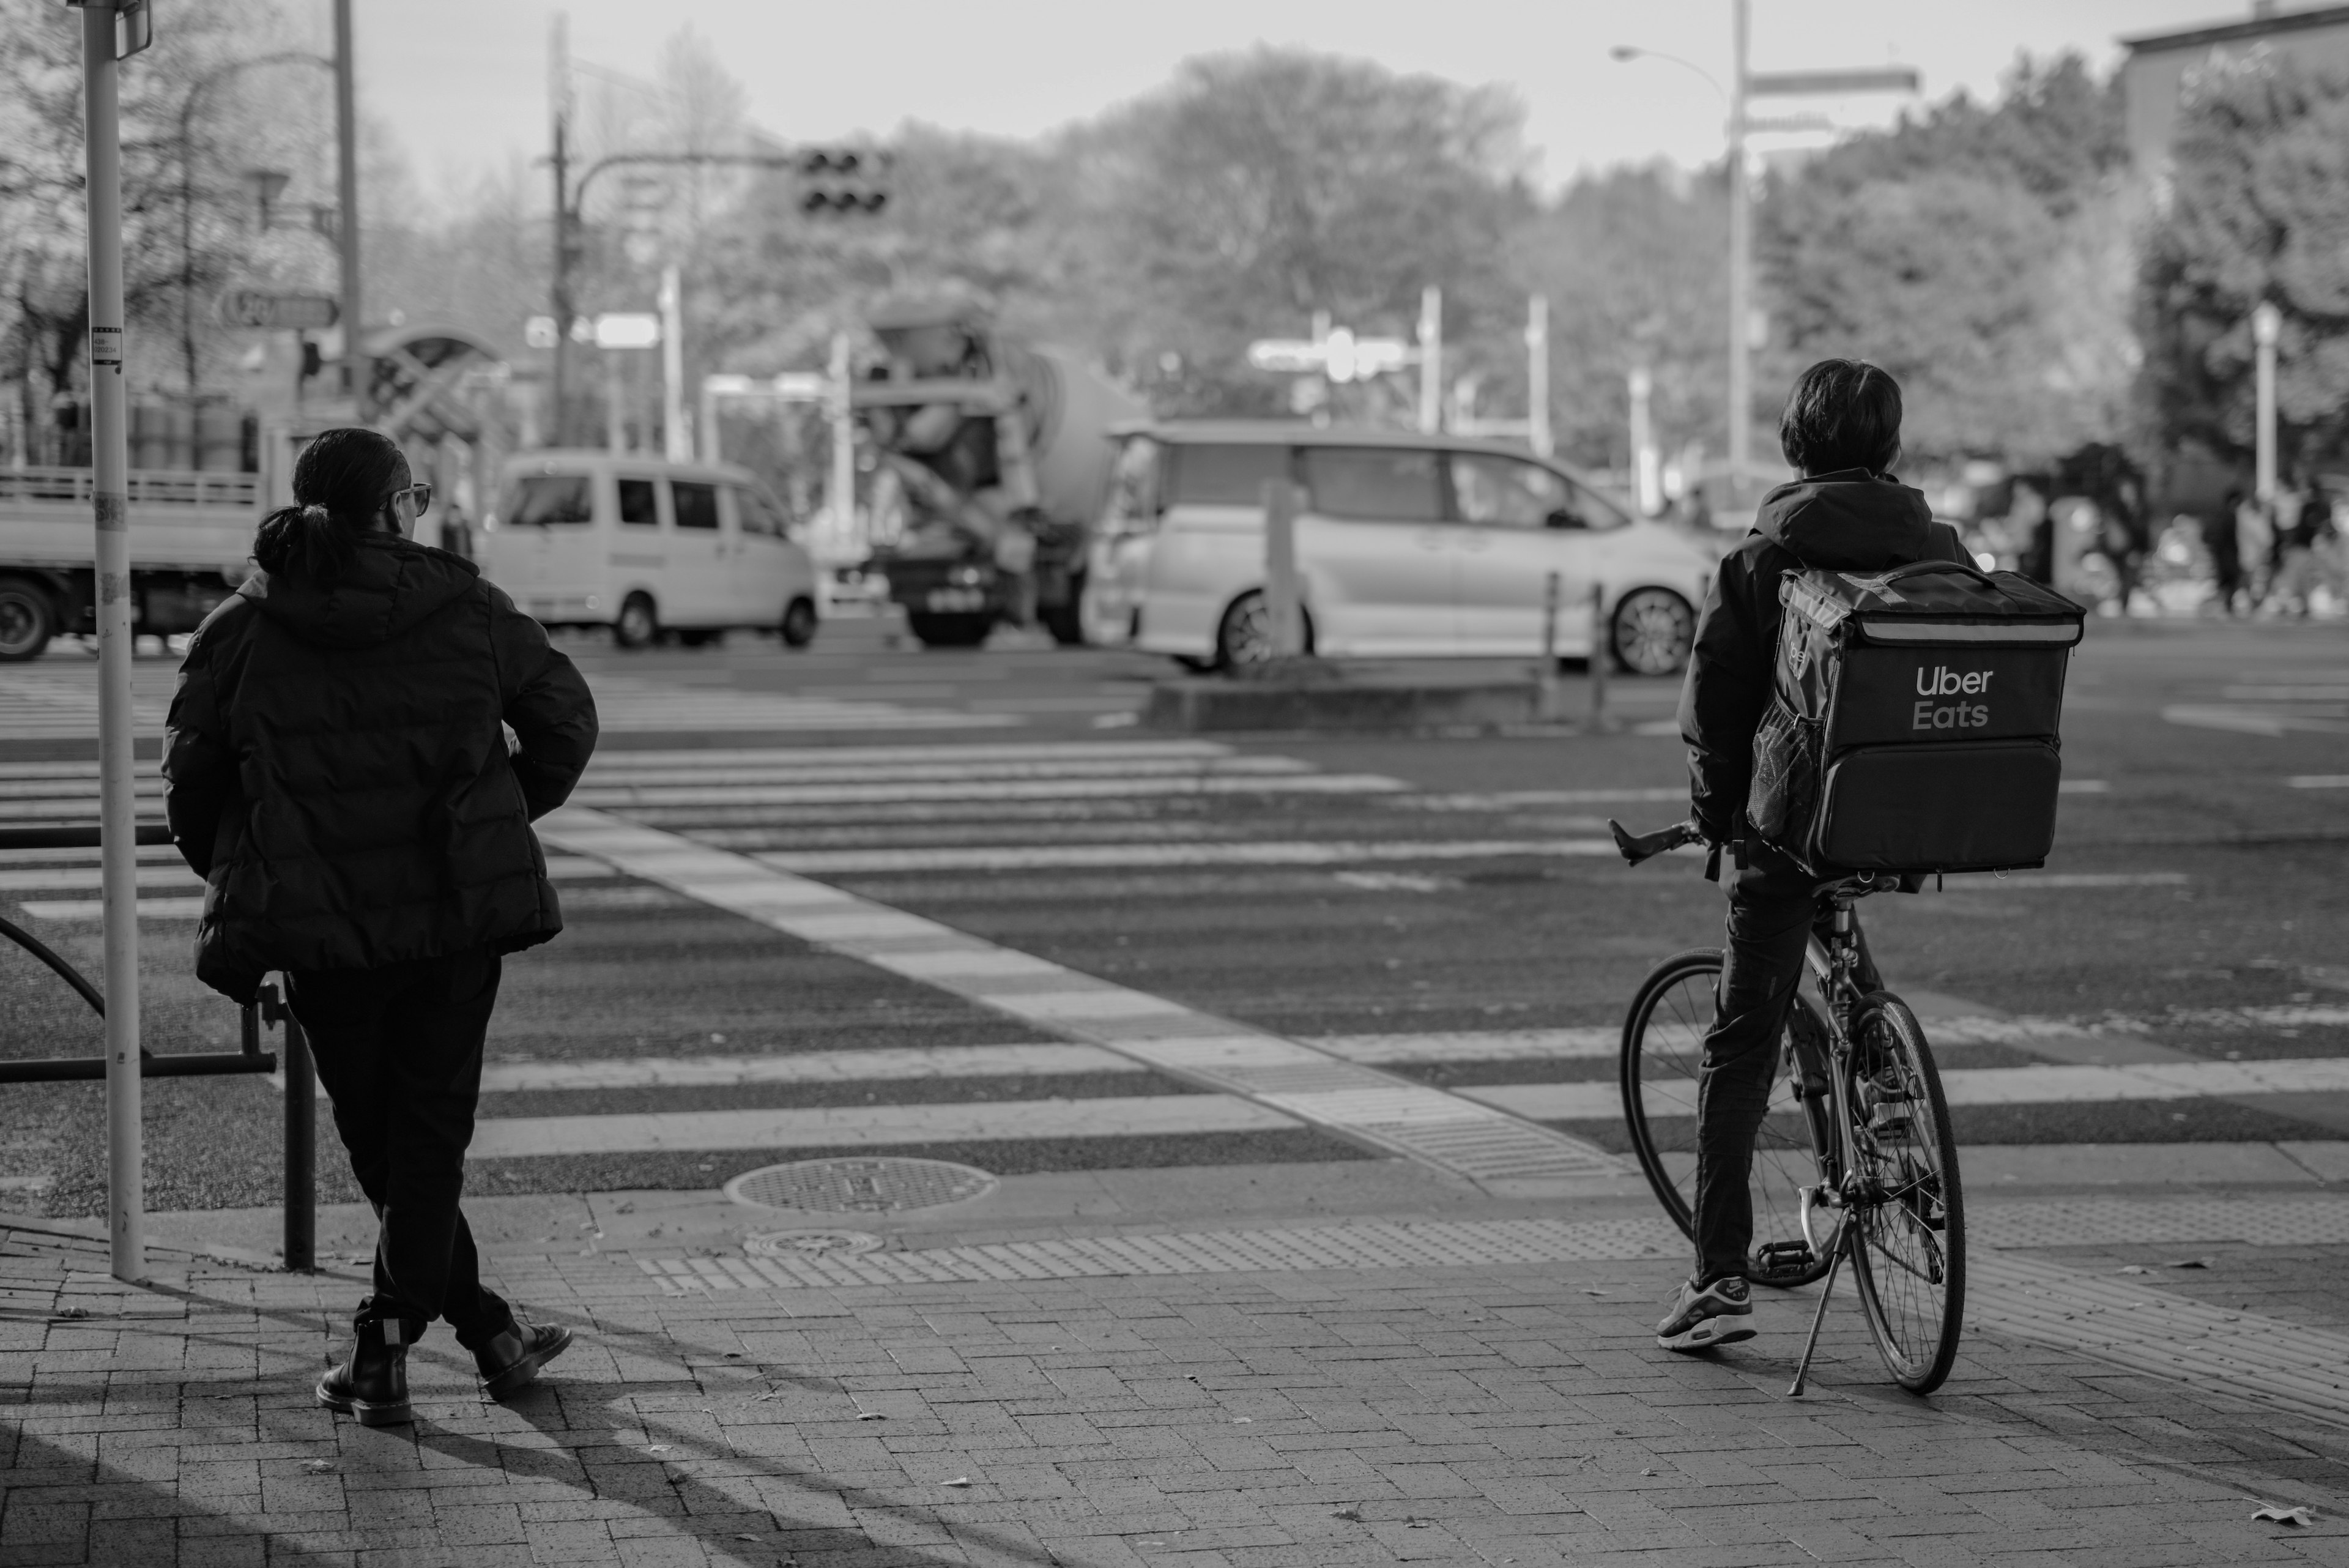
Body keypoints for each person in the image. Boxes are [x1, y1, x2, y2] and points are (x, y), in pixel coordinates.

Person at [165, 428, 599, 1425]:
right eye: (416, 496)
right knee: (429, 1134)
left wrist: (265, 877)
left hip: (322, 932)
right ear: (397, 506)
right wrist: (489, 821)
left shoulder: (241, 627)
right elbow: (567, 723)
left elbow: (193, 786)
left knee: (381, 1139)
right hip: (453, 916)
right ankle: (417, 1337)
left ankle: (431, 1340)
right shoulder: (469, 606)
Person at [1663, 360, 1970, 1352]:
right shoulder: (1941, 547)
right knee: (1849, 954)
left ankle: (1716, 1281)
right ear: (1888, 447)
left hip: (1789, 826)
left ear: (1796, 442)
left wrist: (1717, 814)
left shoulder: (1764, 557)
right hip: (1909, 810)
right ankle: (1893, 1125)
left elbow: (1716, 707)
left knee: (1739, 1047)